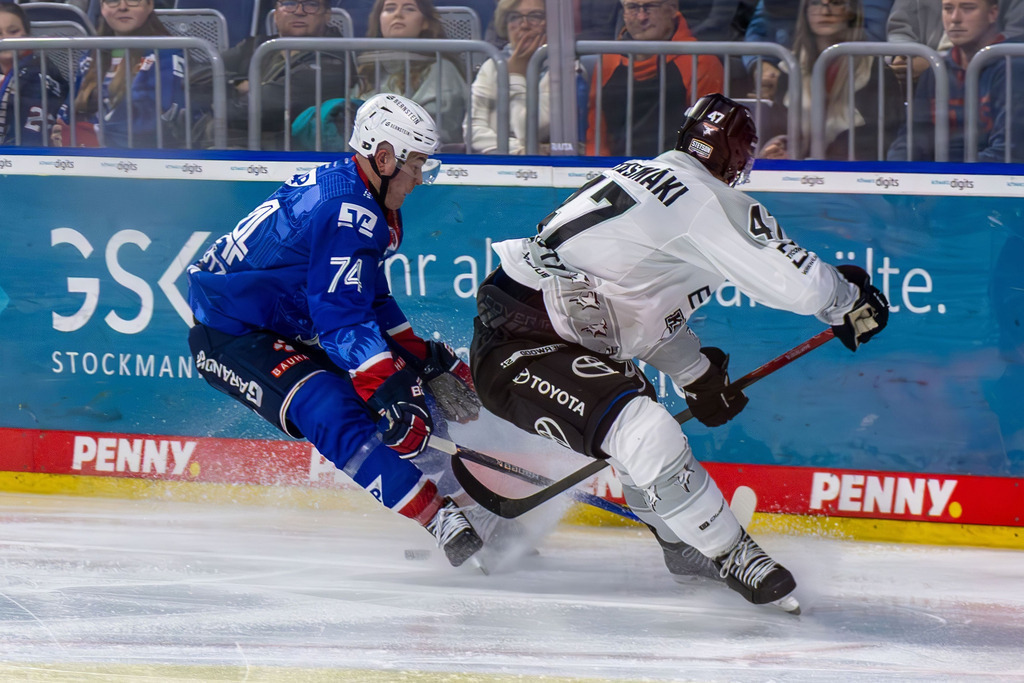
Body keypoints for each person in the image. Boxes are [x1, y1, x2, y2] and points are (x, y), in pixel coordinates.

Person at [469, 93, 889, 612]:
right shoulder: (705, 199)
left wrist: (695, 372)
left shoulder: (641, 174)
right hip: (524, 349)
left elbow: (629, 305)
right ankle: (730, 552)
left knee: (635, 421)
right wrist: (848, 301)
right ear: (739, 157)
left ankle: (682, 545)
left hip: (532, 334)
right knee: (641, 428)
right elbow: (799, 285)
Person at [187, 94, 487, 568]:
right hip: (235, 335)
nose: (420, 179)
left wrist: (418, 355)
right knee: (331, 408)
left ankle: (468, 502)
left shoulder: (363, 192)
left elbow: (367, 295)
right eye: (417, 166)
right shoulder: (349, 208)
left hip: (290, 319)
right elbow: (341, 316)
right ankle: (438, 516)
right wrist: (388, 387)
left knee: (411, 391)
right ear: (384, 158)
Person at [756, 0, 904, 161]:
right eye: (816, 3)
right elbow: (780, 129)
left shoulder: (875, 69)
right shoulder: (788, 67)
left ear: (852, 12)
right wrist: (779, 147)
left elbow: (885, 135)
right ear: (805, 12)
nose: (825, 11)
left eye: (836, 2)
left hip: (853, 172)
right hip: (798, 174)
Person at [887, 0, 1024, 162]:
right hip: (942, 178)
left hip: (989, 179)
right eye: (948, 9)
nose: (955, 18)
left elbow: (1008, 152)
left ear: (992, 13)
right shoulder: (935, 71)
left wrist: (948, 175)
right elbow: (911, 140)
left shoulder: (1014, 67)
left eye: (968, 8)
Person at [585, 0, 725, 157]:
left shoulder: (700, 61)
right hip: (618, 170)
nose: (641, 17)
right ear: (623, 14)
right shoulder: (608, 61)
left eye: (650, 7)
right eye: (632, 8)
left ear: (672, 9)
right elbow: (596, 137)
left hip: (678, 171)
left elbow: (706, 137)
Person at [51, 0, 189, 148]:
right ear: (102, 7)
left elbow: (160, 117)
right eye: (112, 1)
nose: (123, 7)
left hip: (143, 157)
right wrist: (62, 131)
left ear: (150, 5)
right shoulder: (90, 56)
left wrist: (95, 135)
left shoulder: (167, 53)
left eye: (132, 1)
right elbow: (70, 107)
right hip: (87, 157)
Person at [218, 0, 348, 150]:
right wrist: (237, 84)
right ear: (276, 14)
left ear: (327, 15)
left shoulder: (333, 61)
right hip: (231, 146)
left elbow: (254, 110)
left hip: (284, 157)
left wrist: (219, 96)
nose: (299, 11)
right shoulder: (255, 46)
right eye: (289, 3)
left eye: (311, 4)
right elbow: (195, 76)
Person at [351, 0, 469, 146]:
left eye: (409, 9)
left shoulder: (442, 69)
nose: (398, 14)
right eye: (390, 8)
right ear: (379, 20)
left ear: (425, 22)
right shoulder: (368, 69)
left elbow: (432, 128)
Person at [468, 0, 559, 154]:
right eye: (515, 17)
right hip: (497, 161)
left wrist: (516, 75)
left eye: (535, 16)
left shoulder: (566, 70)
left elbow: (527, 132)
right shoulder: (492, 65)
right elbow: (473, 129)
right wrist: (517, 151)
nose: (524, 25)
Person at [0, 2, 69, 146]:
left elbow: (30, 141)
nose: (6, 39)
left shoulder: (38, 74)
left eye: (13, 31)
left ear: (27, 34)